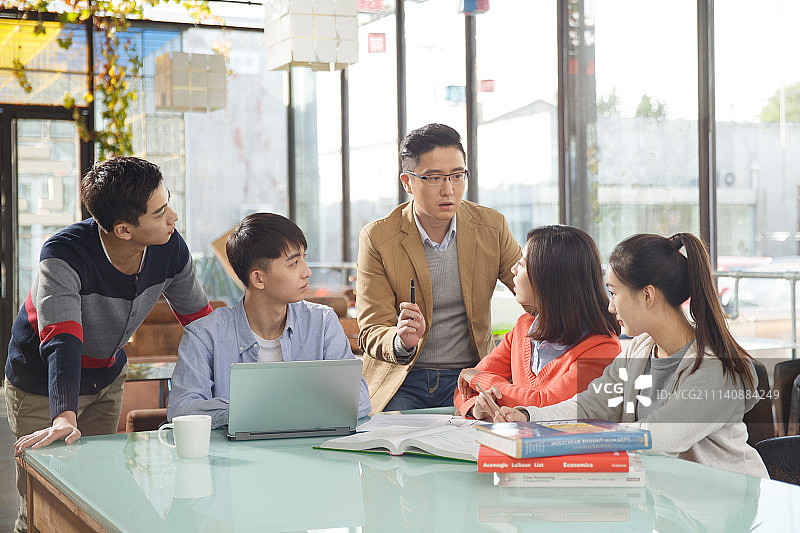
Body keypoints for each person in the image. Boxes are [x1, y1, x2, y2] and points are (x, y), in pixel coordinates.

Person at [6, 156, 212, 532]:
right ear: (123, 229)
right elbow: (62, 339)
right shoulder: (63, 254)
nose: (174, 217)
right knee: (44, 501)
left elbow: (200, 322)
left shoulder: (169, 248)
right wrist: (64, 414)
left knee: (100, 494)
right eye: (160, 212)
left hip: (106, 379)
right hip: (41, 385)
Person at [484, 232, 768, 477]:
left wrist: (570, 437)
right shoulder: (640, 349)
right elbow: (593, 405)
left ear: (647, 296)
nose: (610, 306)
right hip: (672, 506)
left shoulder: (714, 368)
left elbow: (658, 437)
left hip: (726, 508)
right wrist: (528, 417)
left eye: (614, 292)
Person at [356, 123, 522, 413]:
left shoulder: (491, 227)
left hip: (468, 377)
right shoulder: (379, 238)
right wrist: (400, 341)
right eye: (434, 178)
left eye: (457, 176)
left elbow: (532, 288)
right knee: (395, 451)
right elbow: (371, 328)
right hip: (402, 377)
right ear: (407, 182)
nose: (449, 189)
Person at [167, 212, 371, 427]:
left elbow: (359, 399)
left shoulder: (322, 322)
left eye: (304, 258)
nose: (307, 272)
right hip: (237, 456)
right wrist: (254, 409)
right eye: (293, 263)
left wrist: (277, 409)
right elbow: (181, 409)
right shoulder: (205, 333)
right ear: (258, 278)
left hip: (311, 450)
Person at [454, 225, 621, 418]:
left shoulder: (602, 348)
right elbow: (463, 388)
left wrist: (482, 381)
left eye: (523, 264)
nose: (513, 270)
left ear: (549, 278)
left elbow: (546, 404)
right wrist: (478, 408)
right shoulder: (523, 327)